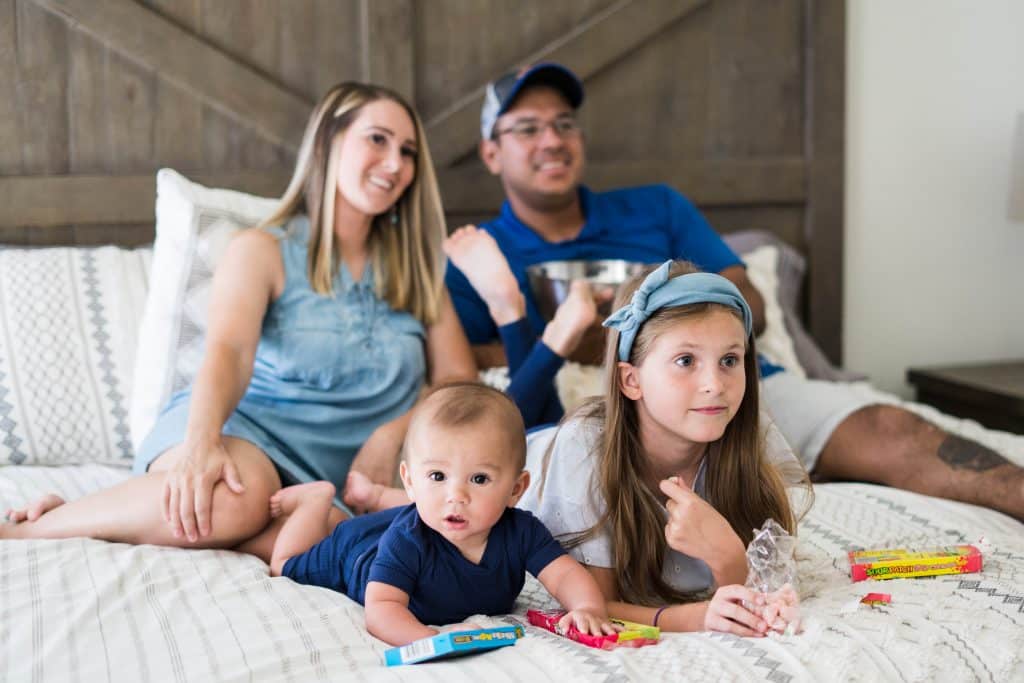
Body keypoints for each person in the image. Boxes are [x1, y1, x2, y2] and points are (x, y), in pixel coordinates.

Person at [443, 62, 1024, 521]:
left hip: (742, 389)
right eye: (527, 128)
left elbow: (754, 304)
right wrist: (580, 342)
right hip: (599, 417)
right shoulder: (479, 255)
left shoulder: (657, 208)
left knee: (890, 428)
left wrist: (662, 304)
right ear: (491, 152)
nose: (552, 139)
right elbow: (469, 376)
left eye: (564, 123)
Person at [2, 82, 477, 548]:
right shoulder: (262, 250)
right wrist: (201, 444)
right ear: (329, 143)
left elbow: (459, 381)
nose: (395, 164)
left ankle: (101, 512)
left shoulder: (419, 272)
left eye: (409, 151)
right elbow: (228, 352)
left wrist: (392, 432)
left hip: (339, 481)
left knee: (343, 532)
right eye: (378, 139)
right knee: (232, 501)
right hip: (246, 434)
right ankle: (28, 530)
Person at [349, 261, 809, 635]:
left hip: (530, 462)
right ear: (631, 379)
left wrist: (727, 557)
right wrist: (694, 618)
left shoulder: (748, 433)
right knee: (438, 506)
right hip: (516, 471)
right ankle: (378, 496)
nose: (715, 385)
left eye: (730, 360)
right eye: (686, 361)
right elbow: (596, 601)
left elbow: (760, 592)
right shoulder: (585, 453)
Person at [264, 382, 615, 646]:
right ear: (410, 480)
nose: (456, 496)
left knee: (413, 513)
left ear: (515, 489)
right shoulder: (407, 541)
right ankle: (315, 499)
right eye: (437, 476)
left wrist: (586, 606)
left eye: (479, 479)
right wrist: (425, 637)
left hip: (407, 517)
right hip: (356, 554)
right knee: (285, 564)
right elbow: (382, 609)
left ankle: (369, 500)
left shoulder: (522, 531)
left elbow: (565, 575)